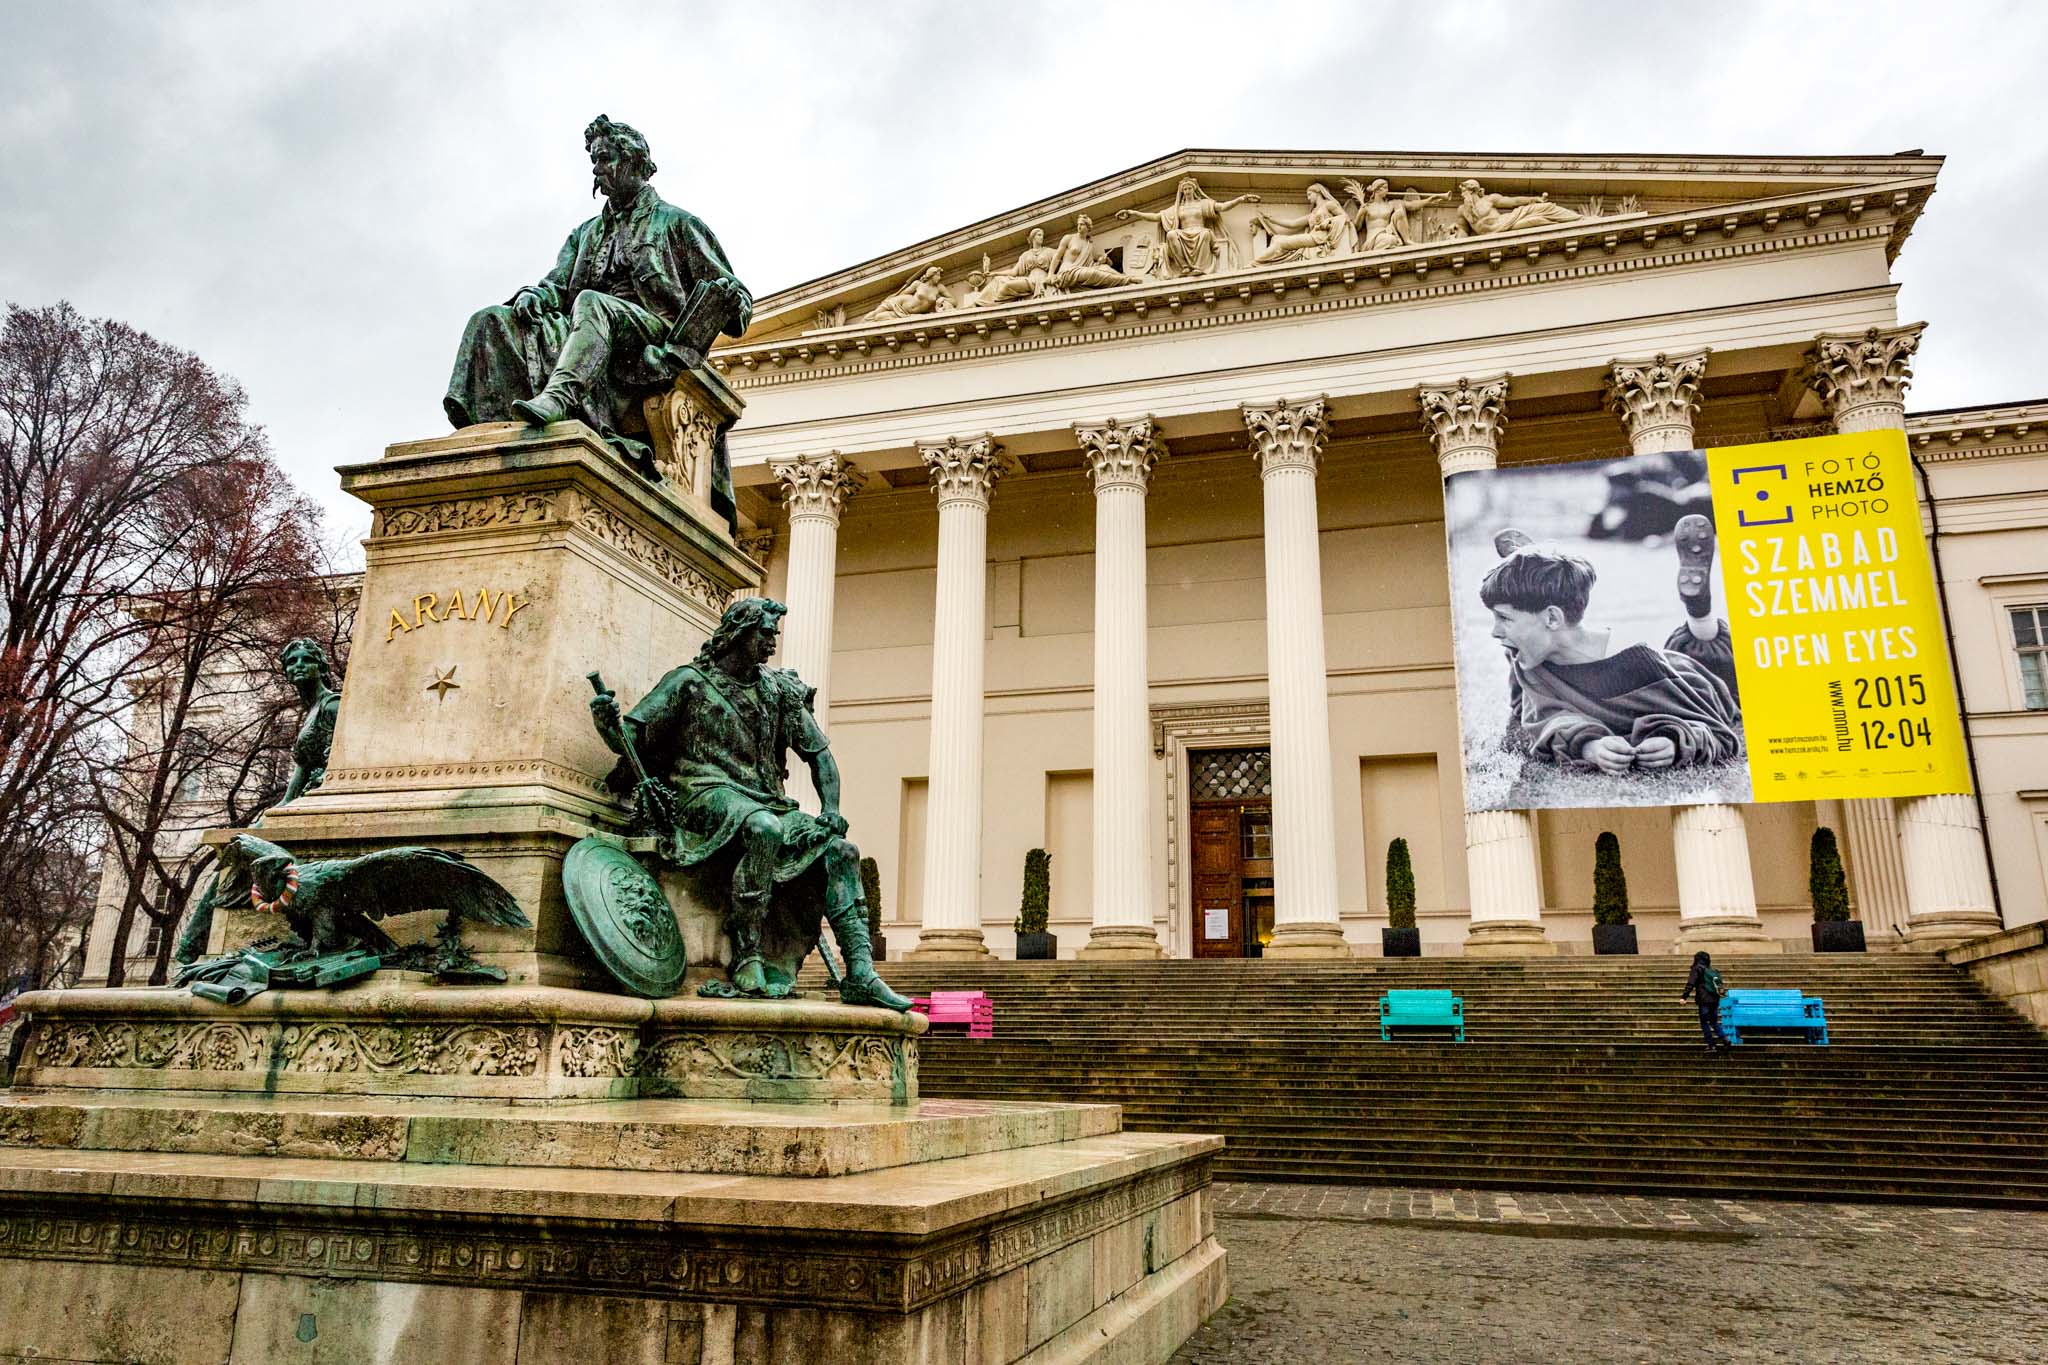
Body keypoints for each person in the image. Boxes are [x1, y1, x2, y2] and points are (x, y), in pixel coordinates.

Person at [589, 597, 909, 1010]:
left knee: (841, 851)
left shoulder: (777, 690)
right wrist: (605, 723)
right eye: (765, 633)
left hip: (763, 799)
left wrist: (831, 810)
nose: (772, 642)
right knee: (764, 829)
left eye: (774, 635)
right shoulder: (689, 682)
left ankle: (861, 973)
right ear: (739, 633)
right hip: (702, 793)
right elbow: (630, 739)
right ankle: (748, 952)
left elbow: (820, 756)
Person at [444, 115, 753, 507]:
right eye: (594, 160)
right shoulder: (585, 233)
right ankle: (487, 426)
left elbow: (739, 301)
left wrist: (727, 299)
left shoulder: (677, 224)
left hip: (649, 333)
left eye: (605, 159)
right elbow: (555, 286)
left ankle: (559, 399)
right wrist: (532, 296)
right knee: (489, 320)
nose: (597, 169)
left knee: (592, 301)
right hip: (586, 330)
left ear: (634, 163)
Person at [1480, 528, 1742, 773]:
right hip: (1552, 638)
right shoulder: (1532, 655)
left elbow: (1717, 732)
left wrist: (1674, 743)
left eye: (1504, 618)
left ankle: (1700, 617)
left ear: (1551, 618)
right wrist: (1589, 746)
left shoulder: (1640, 666)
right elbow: (1549, 719)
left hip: (1697, 680)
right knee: (1521, 701)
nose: (1494, 630)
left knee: (1716, 661)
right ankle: (1533, 566)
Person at [1682, 949, 1733, 1054]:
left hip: (1703, 1000)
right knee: (1714, 1022)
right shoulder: (1710, 970)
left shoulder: (1697, 969)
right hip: (1714, 999)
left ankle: (1711, 1045)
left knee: (1704, 1022)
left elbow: (1691, 983)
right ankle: (1725, 1039)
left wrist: (1684, 996)